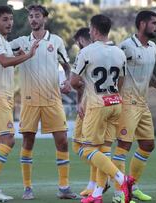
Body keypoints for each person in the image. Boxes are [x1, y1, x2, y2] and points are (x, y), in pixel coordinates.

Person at [9, 4, 78, 200]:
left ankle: (64, 187)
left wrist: (67, 80)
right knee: (28, 142)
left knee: (63, 141)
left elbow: (66, 65)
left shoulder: (55, 41)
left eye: (37, 16)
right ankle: (27, 187)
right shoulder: (21, 42)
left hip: (52, 99)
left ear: (44, 18)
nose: (33, 19)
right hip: (29, 101)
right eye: (30, 16)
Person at [71, 14, 135, 203]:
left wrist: (84, 88)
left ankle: (122, 178)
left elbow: (74, 81)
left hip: (97, 104)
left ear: (95, 30)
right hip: (115, 102)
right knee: (104, 149)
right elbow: (122, 80)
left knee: (85, 148)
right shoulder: (119, 52)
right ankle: (97, 194)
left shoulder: (87, 52)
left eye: (90, 28)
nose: (89, 31)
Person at [0, 5, 39, 202]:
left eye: (11, 19)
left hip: (3, 97)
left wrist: (19, 56)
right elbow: (4, 62)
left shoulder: (1, 40)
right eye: (5, 19)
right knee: (8, 140)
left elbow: (0, 58)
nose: (10, 23)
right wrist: (28, 55)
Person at [112, 10, 156, 203]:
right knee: (123, 146)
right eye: (153, 23)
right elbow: (114, 70)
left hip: (143, 103)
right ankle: (119, 193)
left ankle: (131, 186)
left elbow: (149, 74)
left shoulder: (152, 47)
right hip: (127, 102)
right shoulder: (126, 47)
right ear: (142, 24)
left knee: (148, 145)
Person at [71, 27, 111, 197]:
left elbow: (77, 82)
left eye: (77, 42)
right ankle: (94, 184)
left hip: (91, 104)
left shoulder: (85, 53)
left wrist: (79, 101)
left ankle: (112, 176)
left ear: (80, 40)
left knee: (81, 146)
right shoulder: (109, 52)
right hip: (109, 103)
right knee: (97, 146)